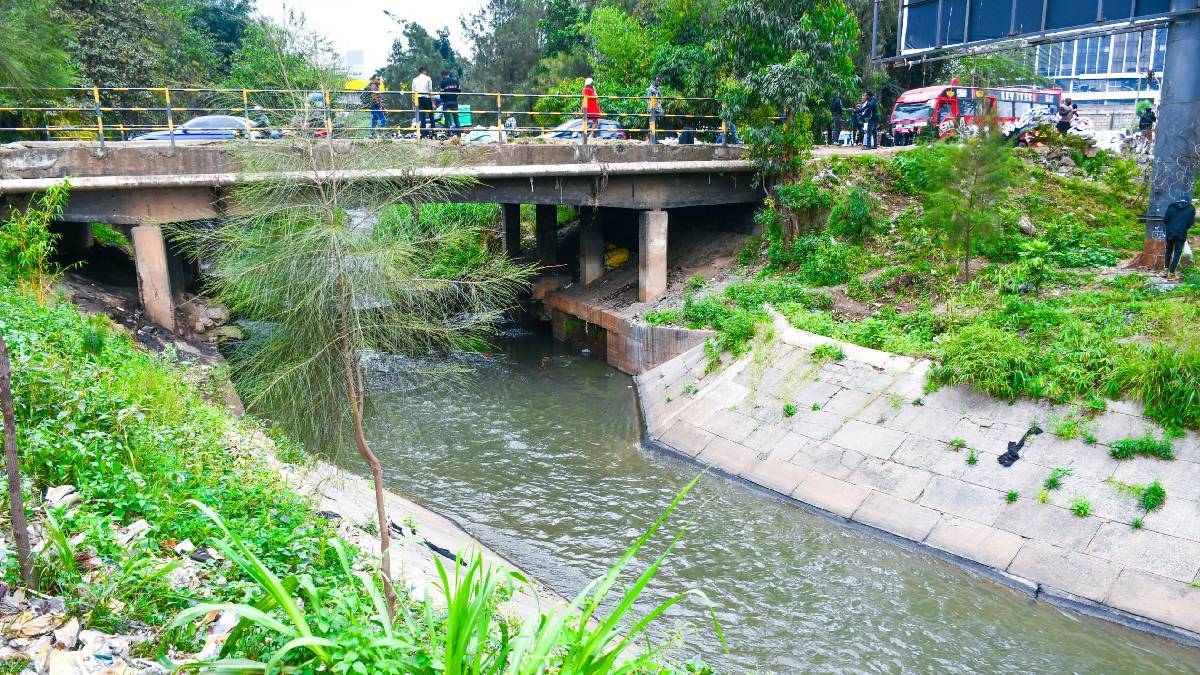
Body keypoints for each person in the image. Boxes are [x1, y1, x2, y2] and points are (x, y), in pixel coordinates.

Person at [1163, 197, 1196, 279]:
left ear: (1179, 200)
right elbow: (1190, 222)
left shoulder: (1171, 206)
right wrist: (1184, 228)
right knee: (1177, 253)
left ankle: (1164, 271)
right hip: (1181, 233)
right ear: (1187, 201)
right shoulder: (1191, 208)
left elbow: (1165, 220)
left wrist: (1171, 226)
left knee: (1168, 251)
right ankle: (1171, 274)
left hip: (1170, 232)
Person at [412, 66, 434, 138]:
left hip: (419, 98)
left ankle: (423, 133)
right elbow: (430, 90)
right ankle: (433, 131)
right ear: (424, 71)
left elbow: (413, 93)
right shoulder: (428, 78)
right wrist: (433, 102)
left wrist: (413, 104)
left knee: (422, 116)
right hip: (427, 97)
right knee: (431, 115)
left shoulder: (415, 80)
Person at [440, 70, 461, 136]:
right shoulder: (456, 81)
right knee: (456, 119)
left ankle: (448, 134)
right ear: (448, 74)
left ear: (443, 75)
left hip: (446, 103)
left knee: (447, 119)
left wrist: (443, 100)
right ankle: (459, 134)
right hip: (454, 102)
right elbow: (459, 91)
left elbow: (441, 94)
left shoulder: (442, 82)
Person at [646, 77, 665, 143]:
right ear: (654, 81)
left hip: (658, 109)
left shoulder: (658, 89)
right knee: (651, 124)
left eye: (659, 81)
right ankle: (651, 140)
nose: (658, 83)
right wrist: (651, 109)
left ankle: (655, 140)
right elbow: (648, 100)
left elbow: (660, 99)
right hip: (653, 109)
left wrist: (661, 110)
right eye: (657, 81)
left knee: (656, 125)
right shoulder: (650, 89)